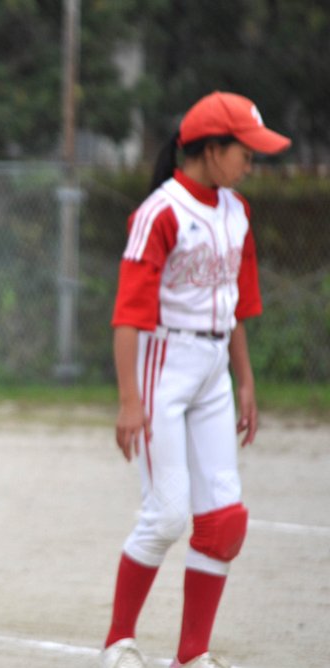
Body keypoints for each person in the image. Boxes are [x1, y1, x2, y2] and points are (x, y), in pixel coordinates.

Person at [98, 91, 291, 668]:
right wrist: (130, 400)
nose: (250, 163)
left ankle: (192, 654)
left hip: (214, 369)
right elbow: (128, 313)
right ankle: (118, 643)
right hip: (163, 365)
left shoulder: (237, 211)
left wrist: (245, 381)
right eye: (244, 152)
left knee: (224, 520)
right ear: (210, 150)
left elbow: (236, 304)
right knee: (167, 515)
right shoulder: (161, 212)